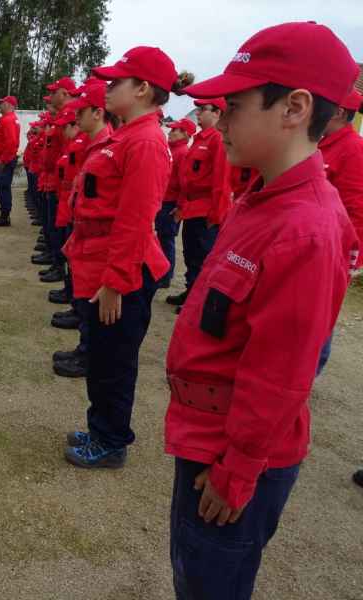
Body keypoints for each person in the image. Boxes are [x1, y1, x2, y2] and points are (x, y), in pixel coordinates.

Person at [165, 22, 359, 599]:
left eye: (235, 107)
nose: (221, 121)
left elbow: (280, 376)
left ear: (294, 108)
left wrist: (237, 470)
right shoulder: (264, 199)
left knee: (210, 582)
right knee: (193, 570)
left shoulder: (305, 229)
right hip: (207, 433)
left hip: (231, 452)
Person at [62, 47, 192, 469]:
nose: (108, 88)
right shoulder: (127, 136)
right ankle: (100, 427)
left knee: (114, 361)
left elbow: (136, 220)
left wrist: (116, 283)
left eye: (117, 82)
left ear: (142, 89)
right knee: (102, 357)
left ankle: (111, 440)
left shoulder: (147, 143)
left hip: (122, 272)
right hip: (103, 263)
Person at [53, 83, 114, 378]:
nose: (76, 117)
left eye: (82, 111)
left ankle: (88, 354)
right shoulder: (95, 144)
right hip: (85, 231)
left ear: (98, 113)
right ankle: (85, 348)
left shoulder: (113, 145)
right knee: (85, 294)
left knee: (92, 303)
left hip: (99, 239)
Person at [314, 88, 363, 375]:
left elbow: (357, 208)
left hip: (334, 250)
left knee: (320, 313)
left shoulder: (353, 149)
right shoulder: (323, 143)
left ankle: (310, 370)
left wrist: (350, 258)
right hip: (316, 244)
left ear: (339, 113)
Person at [166, 98, 231, 310]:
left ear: (217, 113)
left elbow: (221, 182)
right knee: (191, 255)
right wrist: (181, 205)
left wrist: (216, 215)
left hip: (206, 211)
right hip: (193, 208)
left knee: (202, 257)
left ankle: (198, 300)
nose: (199, 113)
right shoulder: (201, 139)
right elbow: (188, 178)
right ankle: (191, 290)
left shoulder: (217, 140)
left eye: (203, 109)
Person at [34, 78, 77, 262]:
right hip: (53, 178)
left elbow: (67, 152)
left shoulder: (69, 116)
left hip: (60, 180)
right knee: (54, 223)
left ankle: (57, 262)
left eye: (54, 93)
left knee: (60, 227)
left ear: (65, 93)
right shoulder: (62, 116)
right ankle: (54, 257)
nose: (50, 97)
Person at [156, 118, 196, 289]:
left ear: (185, 134)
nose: (170, 133)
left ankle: (165, 276)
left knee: (166, 239)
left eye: (175, 130)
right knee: (162, 238)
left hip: (170, 203)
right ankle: (161, 273)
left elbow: (184, 183)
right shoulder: (172, 150)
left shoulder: (182, 153)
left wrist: (179, 206)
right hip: (164, 200)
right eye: (171, 130)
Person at [0, 95, 21, 227]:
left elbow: (11, 143)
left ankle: (4, 217)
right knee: (2, 188)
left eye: (2, 103)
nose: (0, 105)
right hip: (3, 159)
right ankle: (4, 215)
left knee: (2, 188)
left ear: (8, 105)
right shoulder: (7, 119)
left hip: (4, 161)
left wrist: (3, 160)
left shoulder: (8, 120)